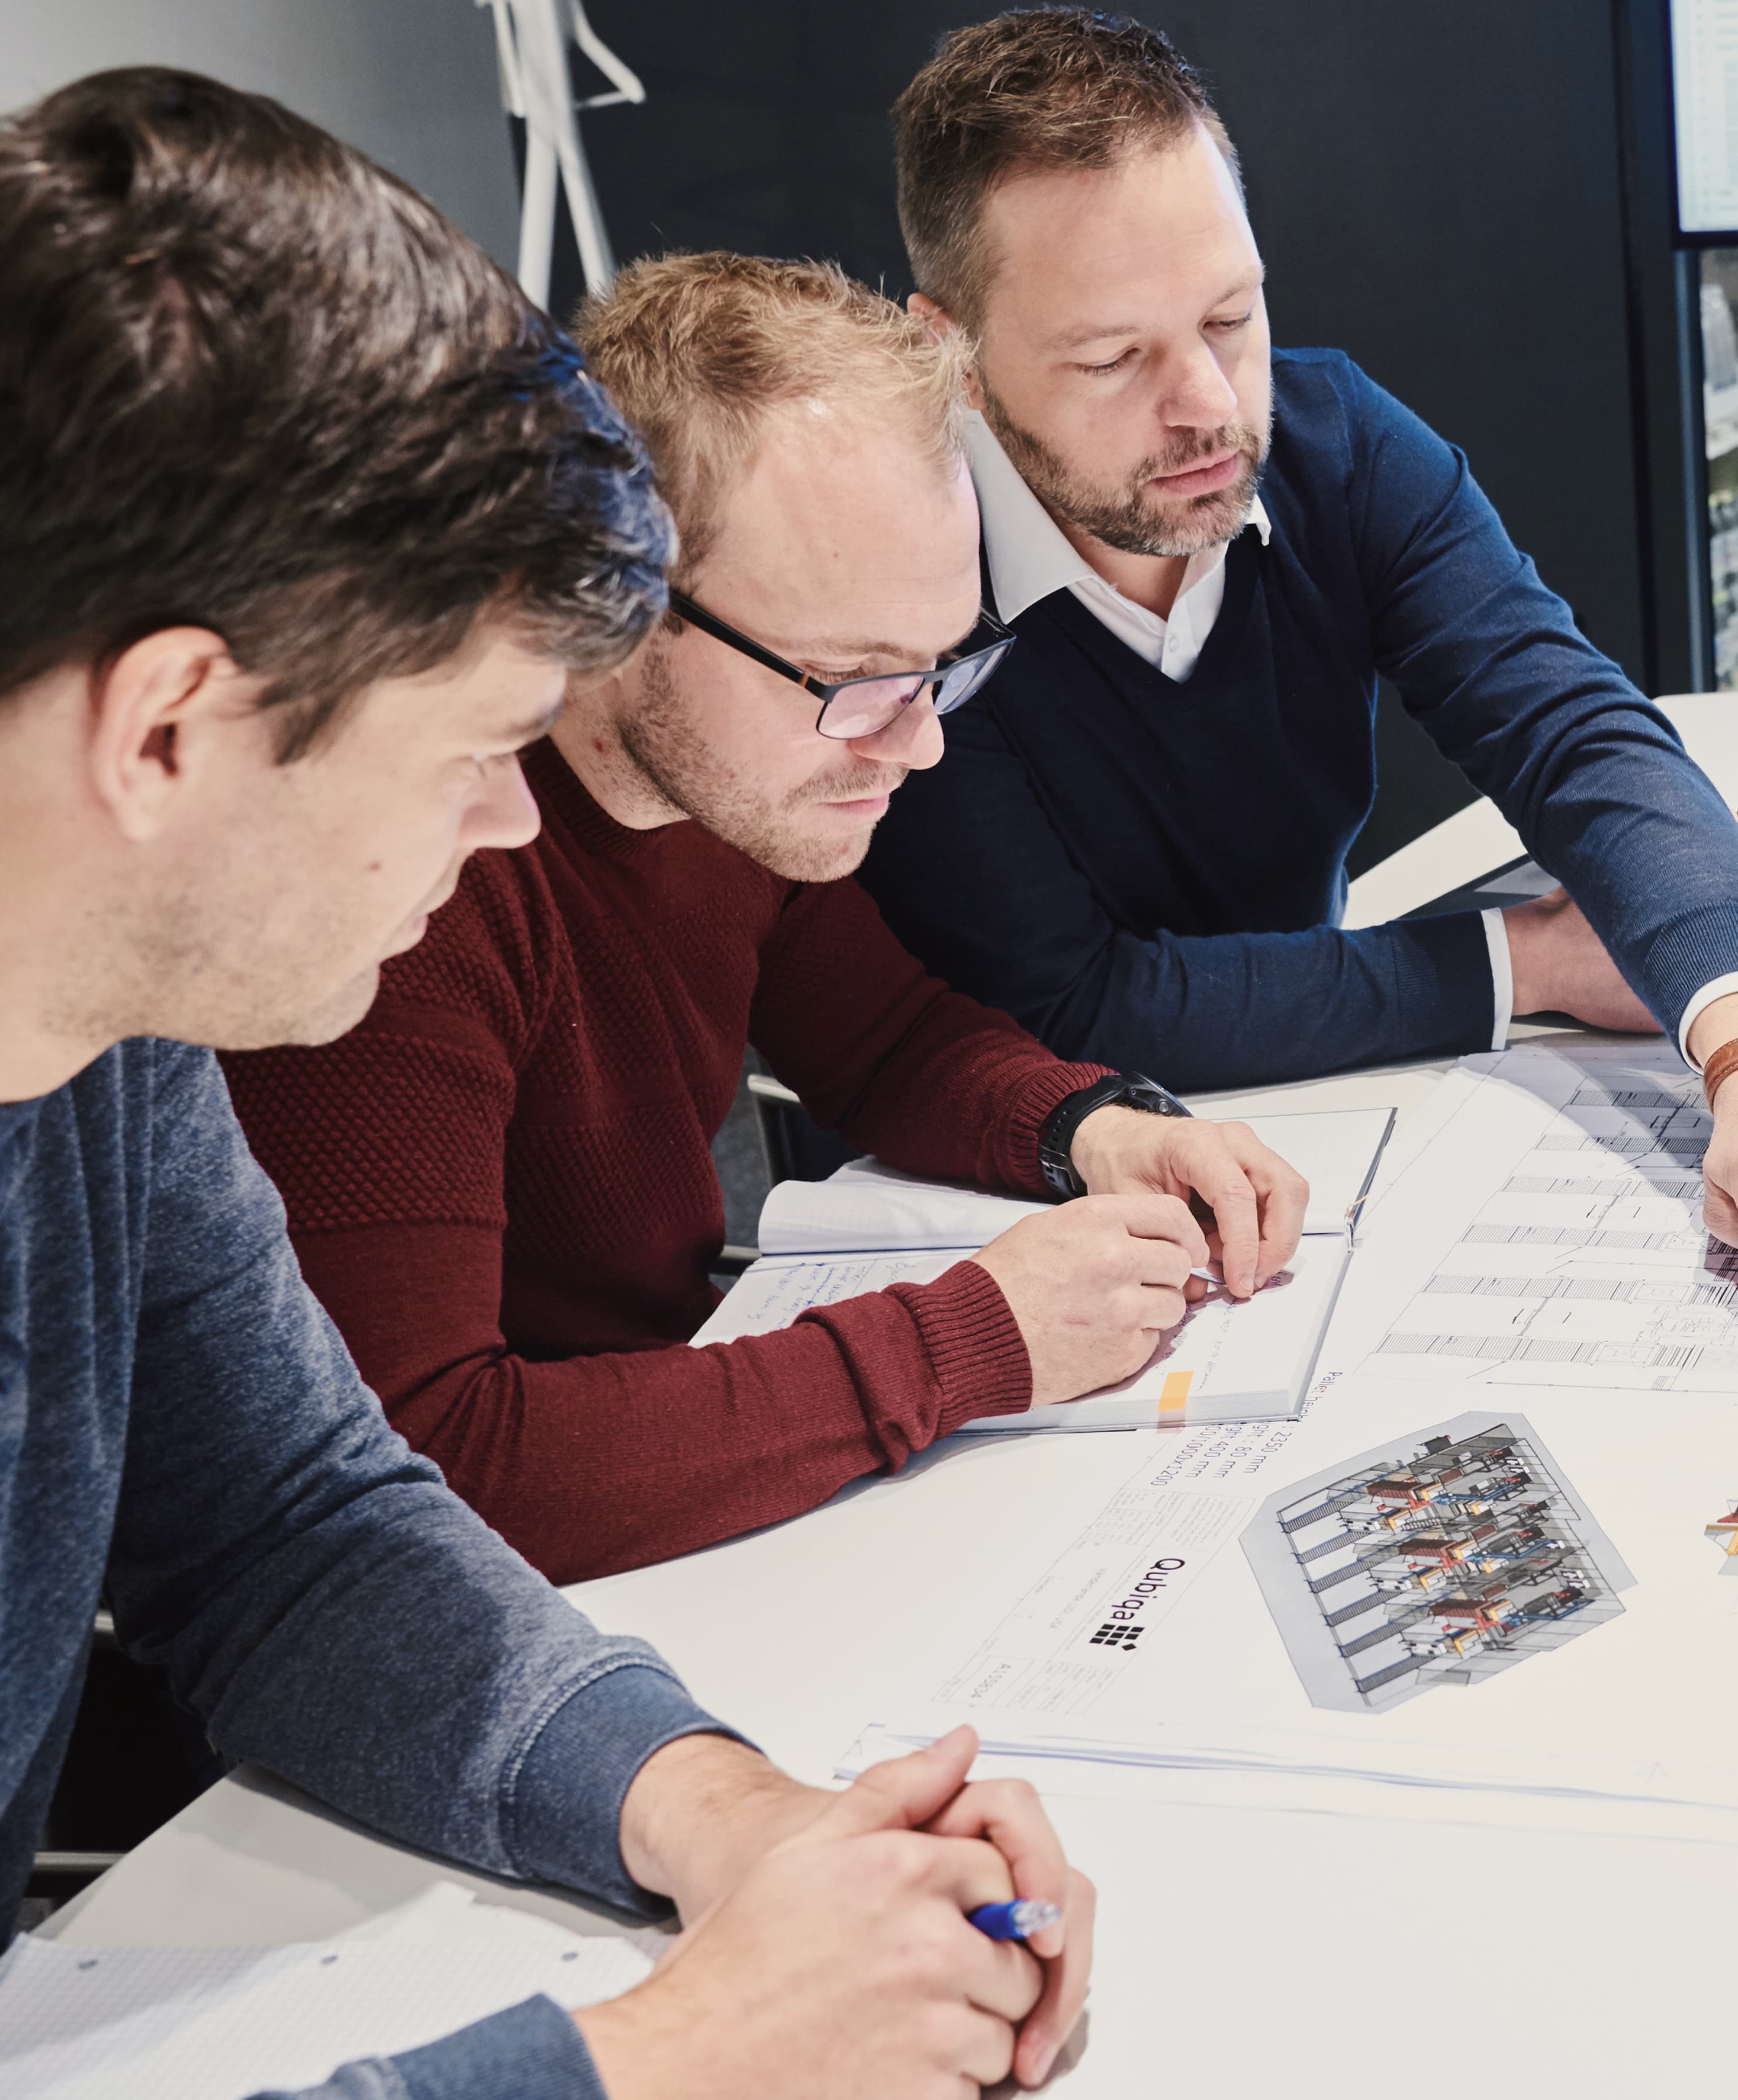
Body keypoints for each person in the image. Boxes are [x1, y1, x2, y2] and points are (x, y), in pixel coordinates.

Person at [0, 69, 1091, 2100]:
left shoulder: (100, 1027)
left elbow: (296, 1532)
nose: (501, 820)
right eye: (468, 744)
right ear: (170, 730)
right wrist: (656, 2081)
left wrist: (737, 1827)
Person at [221, 249, 1309, 1587]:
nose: (912, 750)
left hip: (680, 1468)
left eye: (941, 669)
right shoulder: (413, 892)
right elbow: (434, 1457)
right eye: (854, 684)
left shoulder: (737, 790)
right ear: (617, 606)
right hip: (522, 1583)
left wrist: (1092, 1127)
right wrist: (972, 1339)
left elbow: (888, 1036)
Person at [857, 6, 1738, 1363]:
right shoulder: (902, 570)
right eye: (1112, 358)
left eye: (1230, 316)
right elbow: (1073, 1002)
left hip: (1311, 1123)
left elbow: (1570, 730)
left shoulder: (1330, 439)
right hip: (996, 1197)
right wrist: (1517, 958)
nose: (1207, 409)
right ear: (947, 347)